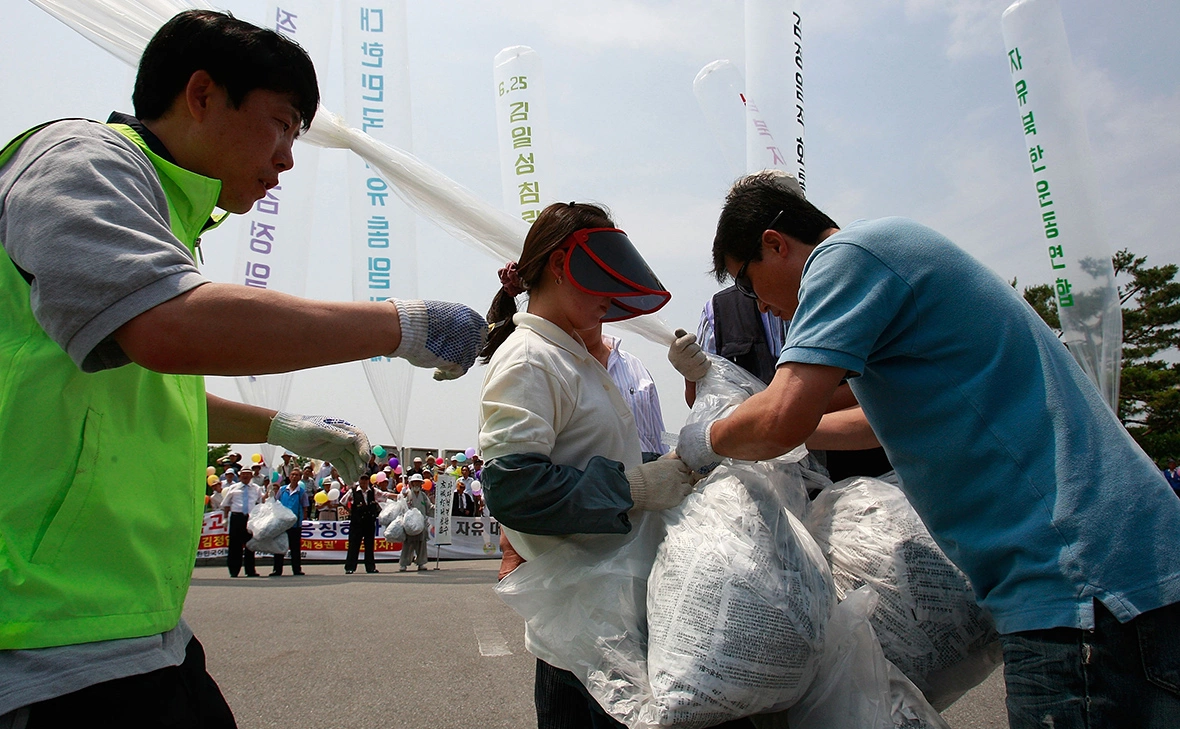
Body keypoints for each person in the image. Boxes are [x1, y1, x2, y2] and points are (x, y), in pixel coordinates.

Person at [0, 9, 488, 725]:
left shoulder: (166, 222)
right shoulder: (81, 160)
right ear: (201, 95)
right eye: (283, 123)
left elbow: (150, 394)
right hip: (46, 639)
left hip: (134, 626)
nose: (288, 157)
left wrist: (288, 427)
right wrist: (402, 325)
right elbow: (170, 330)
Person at [675, 170, 1180, 729]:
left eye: (747, 284)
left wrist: (707, 436)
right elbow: (867, 421)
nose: (760, 306)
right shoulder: (885, 258)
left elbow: (781, 416)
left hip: (1078, 581)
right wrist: (789, 433)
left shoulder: (845, 258)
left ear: (775, 243)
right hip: (1102, 574)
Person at [477, 202, 701, 728]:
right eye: (600, 279)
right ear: (561, 266)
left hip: (605, 608)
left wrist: (675, 465)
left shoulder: (573, 357)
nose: (611, 297)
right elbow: (516, 490)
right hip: (578, 621)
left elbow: (595, 459)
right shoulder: (531, 358)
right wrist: (639, 487)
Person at [579, 323, 671, 461]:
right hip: (597, 480)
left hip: (652, 476)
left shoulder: (634, 366)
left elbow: (659, 436)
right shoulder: (555, 370)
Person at [221, 468, 263, 578]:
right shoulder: (233, 488)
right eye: (243, 474)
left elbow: (261, 502)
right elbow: (226, 504)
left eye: (247, 474)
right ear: (239, 476)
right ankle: (234, 570)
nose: (245, 476)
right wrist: (225, 518)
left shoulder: (256, 489)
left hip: (250, 518)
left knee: (250, 545)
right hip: (237, 517)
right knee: (235, 545)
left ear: (251, 476)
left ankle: (250, 570)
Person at [271, 472, 308, 576]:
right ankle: (277, 570)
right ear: (289, 477)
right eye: (292, 475)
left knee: (295, 548)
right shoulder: (282, 490)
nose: (294, 477)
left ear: (300, 478)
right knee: (279, 546)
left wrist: (302, 521)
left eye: (297, 475)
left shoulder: (301, 492)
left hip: (295, 525)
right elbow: (276, 503)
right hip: (282, 524)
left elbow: (305, 507)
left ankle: (297, 569)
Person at [342, 477, 380, 574]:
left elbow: (384, 495)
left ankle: (370, 567)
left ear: (368, 481)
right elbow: (343, 501)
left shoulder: (373, 491)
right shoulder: (353, 491)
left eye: (365, 480)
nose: (363, 482)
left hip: (369, 522)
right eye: (362, 480)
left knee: (369, 545)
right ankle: (350, 567)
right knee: (354, 545)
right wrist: (350, 511)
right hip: (357, 522)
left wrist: (398, 496)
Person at [399, 473, 435, 572]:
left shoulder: (423, 495)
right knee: (408, 544)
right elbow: (401, 506)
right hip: (409, 523)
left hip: (421, 523)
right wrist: (402, 496)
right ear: (411, 483)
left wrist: (438, 509)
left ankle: (421, 562)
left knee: (421, 543)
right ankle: (404, 564)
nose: (417, 484)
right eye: (415, 482)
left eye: (419, 483)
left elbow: (429, 508)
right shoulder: (407, 494)